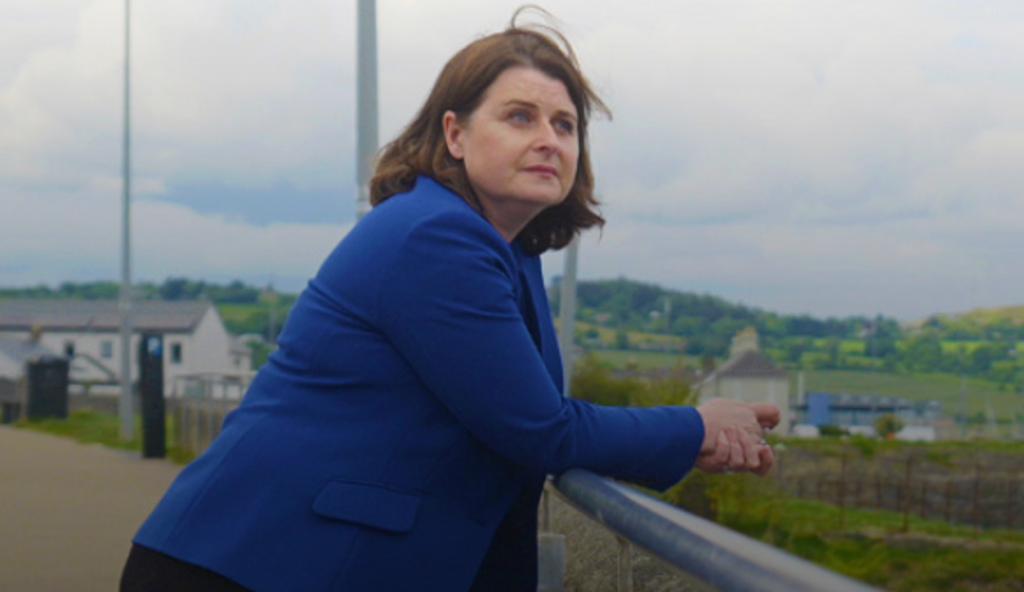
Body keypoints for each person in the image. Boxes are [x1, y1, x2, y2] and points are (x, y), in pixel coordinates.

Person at [121, 8, 779, 592]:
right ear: (455, 135)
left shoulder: (508, 252)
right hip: (246, 566)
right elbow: (539, 428)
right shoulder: (435, 238)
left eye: (565, 125)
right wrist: (696, 426)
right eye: (519, 117)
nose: (549, 139)